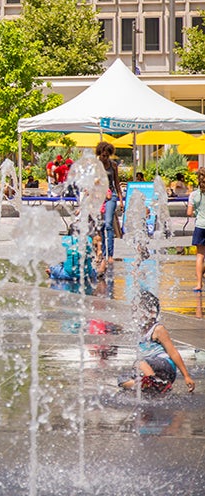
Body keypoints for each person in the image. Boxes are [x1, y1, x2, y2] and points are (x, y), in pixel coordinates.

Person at [117, 291, 195, 395]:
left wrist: (186, 376)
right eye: (135, 310)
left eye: (153, 311)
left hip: (165, 366)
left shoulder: (158, 329)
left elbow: (173, 353)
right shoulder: (138, 330)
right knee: (122, 380)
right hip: (150, 368)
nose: (152, 315)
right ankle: (150, 385)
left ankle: (155, 382)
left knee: (139, 363)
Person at [95, 141, 121, 273]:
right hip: (99, 197)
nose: (104, 158)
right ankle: (103, 254)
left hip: (112, 196)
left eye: (106, 155)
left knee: (109, 223)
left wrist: (121, 200)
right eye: (102, 155)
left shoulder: (113, 165)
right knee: (101, 226)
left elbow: (116, 183)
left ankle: (110, 254)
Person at [187, 167, 205, 292]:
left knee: (200, 255)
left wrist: (196, 212)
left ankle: (199, 284)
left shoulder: (194, 194)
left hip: (200, 226)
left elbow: (189, 212)